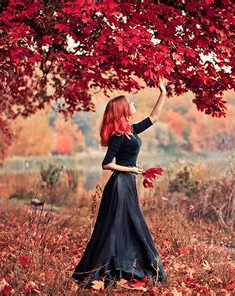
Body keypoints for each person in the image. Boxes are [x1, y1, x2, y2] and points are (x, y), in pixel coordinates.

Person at [71, 77, 168, 288]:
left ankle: (128, 267)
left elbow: (154, 117)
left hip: (127, 185)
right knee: (116, 228)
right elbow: (106, 164)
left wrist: (163, 92)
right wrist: (131, 169)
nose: (133, 105)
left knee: (129, 227)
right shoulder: (117, 136)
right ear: (123, 110)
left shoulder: (131, 130)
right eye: (130, 103)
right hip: (119, 185)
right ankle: (106, 271)